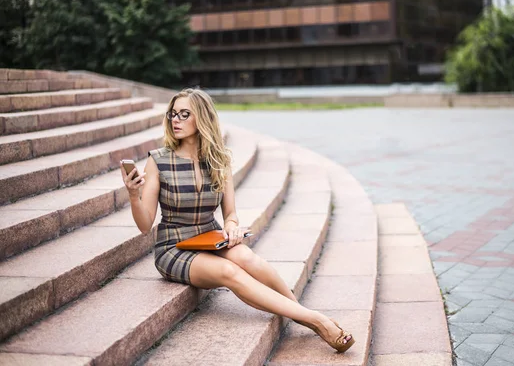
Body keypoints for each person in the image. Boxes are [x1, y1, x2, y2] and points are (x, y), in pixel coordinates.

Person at [120, 88, 354, 353]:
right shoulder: (158, 162)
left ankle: (302, 315)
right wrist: (132, 194)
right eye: (173, 114)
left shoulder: (218, 159)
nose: (176, 120)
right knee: (230, 272)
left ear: (202, 118)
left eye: (184, 114)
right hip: (174, 248)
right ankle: (317, 320)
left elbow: (230, 214)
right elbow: (144, 224)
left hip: (210, 238)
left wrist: (231, 228)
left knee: (248, 259)